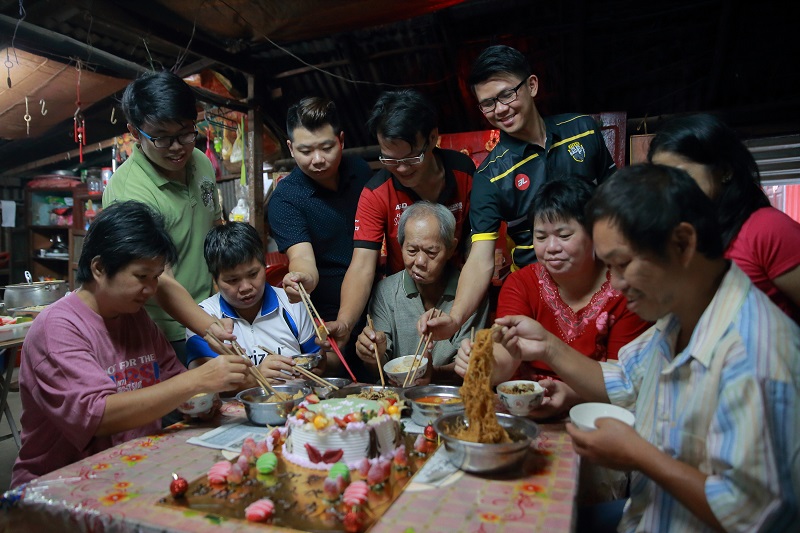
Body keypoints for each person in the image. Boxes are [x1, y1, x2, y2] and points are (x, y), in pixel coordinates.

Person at [495, 164, 800, 532]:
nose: (617, 285)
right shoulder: (678, 318)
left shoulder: (755, 353)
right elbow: (623, 379)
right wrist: (546, 346)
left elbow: (752, 514)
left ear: (683, 244)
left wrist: (639, 455)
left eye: (623, 265)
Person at [11, 202, 251, 488]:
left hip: (132, 468)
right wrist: (197, 380)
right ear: (99, 268)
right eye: (141, 277)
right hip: (62, 483)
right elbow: (97, 416)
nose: (151, 290)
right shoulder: (59, 327)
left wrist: (207, 394)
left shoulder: (134, 316)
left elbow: (173, 381)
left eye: (155, 277)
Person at [423, 44, 616, 342]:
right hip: (539, 294)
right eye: (487, 104)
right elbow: (481, 258)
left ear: (532, 85)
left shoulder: (583, 131)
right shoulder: (490, 176)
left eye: (506, 95)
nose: (500, 109)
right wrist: (455, 317)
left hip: (602, 279)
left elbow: (616, 206)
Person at [454, 179, 648, 417]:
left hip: (597, 419)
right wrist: (482, 364)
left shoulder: (625, 291)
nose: (551, 247)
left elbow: (626, 386)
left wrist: (571, 396)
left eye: (564, 235)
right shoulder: (521, 284)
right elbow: (506, 356)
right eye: (541, 237)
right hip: (524, 416)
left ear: (594, 234)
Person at [326, 89, 475, 359]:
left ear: (432, 138)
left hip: (460, 296)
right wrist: (345, 323)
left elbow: (477, 245)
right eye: (390, 160)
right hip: (406, 302)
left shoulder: (464, 172)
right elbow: (362, 265)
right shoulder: (376, 193)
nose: (402, 169)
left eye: (410, 159)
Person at [104, 71, 229, 365]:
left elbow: (214, 229)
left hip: (209, 315)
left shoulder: (199, 162)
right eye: (161, 137)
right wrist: (207, 326)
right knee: (177, 406)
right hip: (159, 329)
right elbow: (159, 278)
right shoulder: (129, 192)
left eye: (186, 132)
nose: (177, 147)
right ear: (135, 132)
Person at [648, 113, 800, 322]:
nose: (670, 190)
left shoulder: (766, 228)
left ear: (725, 171)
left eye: (681, 176)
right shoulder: (687, 238)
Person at [356, 202, 489, 384]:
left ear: (451, 248)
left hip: (448, 398)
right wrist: (372, 355)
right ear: (400, 245)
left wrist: (432, 374)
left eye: (431, 252)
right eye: (411, 250)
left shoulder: (471, 293)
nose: (419, 261)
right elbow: (378, 368)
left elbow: (469, 366)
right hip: (395, 400)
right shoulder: (386, 291)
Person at [268, 97, 373, 326]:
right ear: (291, 148)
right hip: (327, 313)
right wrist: (303, 278)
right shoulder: (285, 200)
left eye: (327, 148)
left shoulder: (360, 171)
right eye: (305, 151)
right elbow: (301, 257)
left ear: (341, 140)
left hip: (377, 299)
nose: (318, 160)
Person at [185, 222, 323, 383]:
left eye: (253, 274)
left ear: (264, 266)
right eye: (232, 280)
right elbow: (202, 382)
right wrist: (256, 376)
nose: (245, 287)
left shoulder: (293, 303)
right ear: (215, 279)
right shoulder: (202, 317)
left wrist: (321, 363)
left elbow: (318, 362)